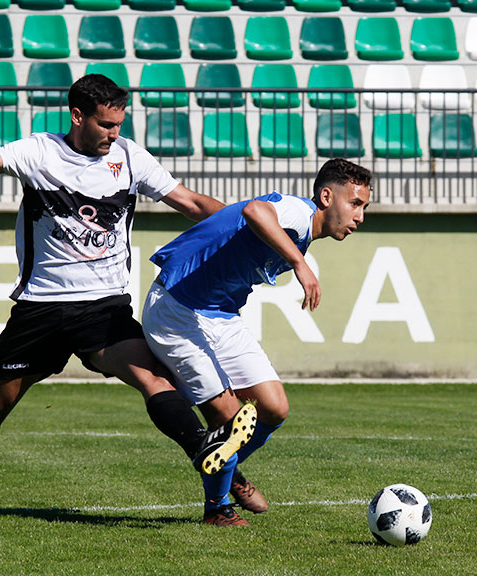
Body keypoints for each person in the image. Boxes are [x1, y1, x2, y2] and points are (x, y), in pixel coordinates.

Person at [0, 74, 257, 514]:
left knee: (153, 379)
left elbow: (190, 203)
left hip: (104, 308)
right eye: (106, 124)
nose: (115, 133)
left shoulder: (130, 157)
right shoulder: (39, 152)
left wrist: (249, 225)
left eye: (119, 123)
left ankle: (209, 457)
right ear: (77, 116)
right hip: (41, 308)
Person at [142, 159, 372, 526]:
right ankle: (217, 508)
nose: (360, 216)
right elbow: (253, 210)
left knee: (274, 407)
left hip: (221, 314)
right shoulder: (298, 213)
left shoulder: (303, 231)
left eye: (365, 207)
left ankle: (227, 469)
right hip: (178, 309)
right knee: (228, 417)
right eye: (355, 203)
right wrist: (299, 264)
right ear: (326, 196)